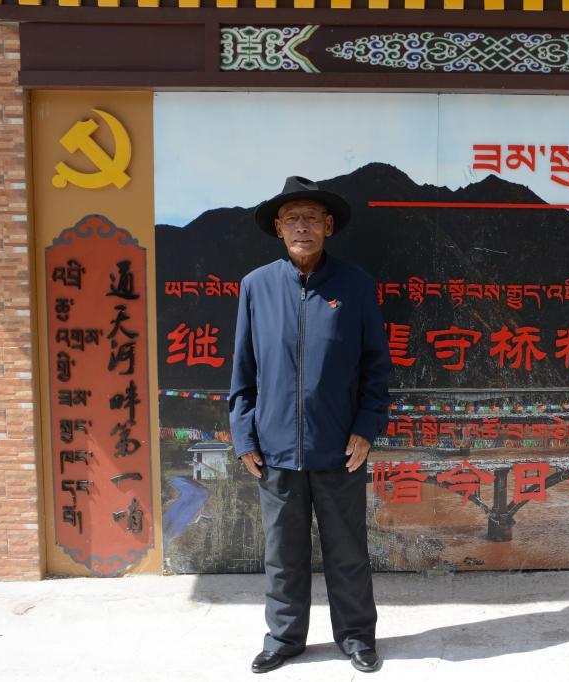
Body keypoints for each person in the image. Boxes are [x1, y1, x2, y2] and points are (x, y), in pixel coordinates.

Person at [229, 175, 391, 674]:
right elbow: (243, 370)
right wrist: (244, 436)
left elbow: (376, 368)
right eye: (292, 219)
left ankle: (357, 636)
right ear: (279, 228)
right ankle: (283, 639)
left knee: (348, 553)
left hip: (340, 449)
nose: (302, 227)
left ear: (328, 227)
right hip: (274, 450)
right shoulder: (256, 286)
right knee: (283, 555)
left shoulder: (356, 286)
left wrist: (366, 428)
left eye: (311, 218)